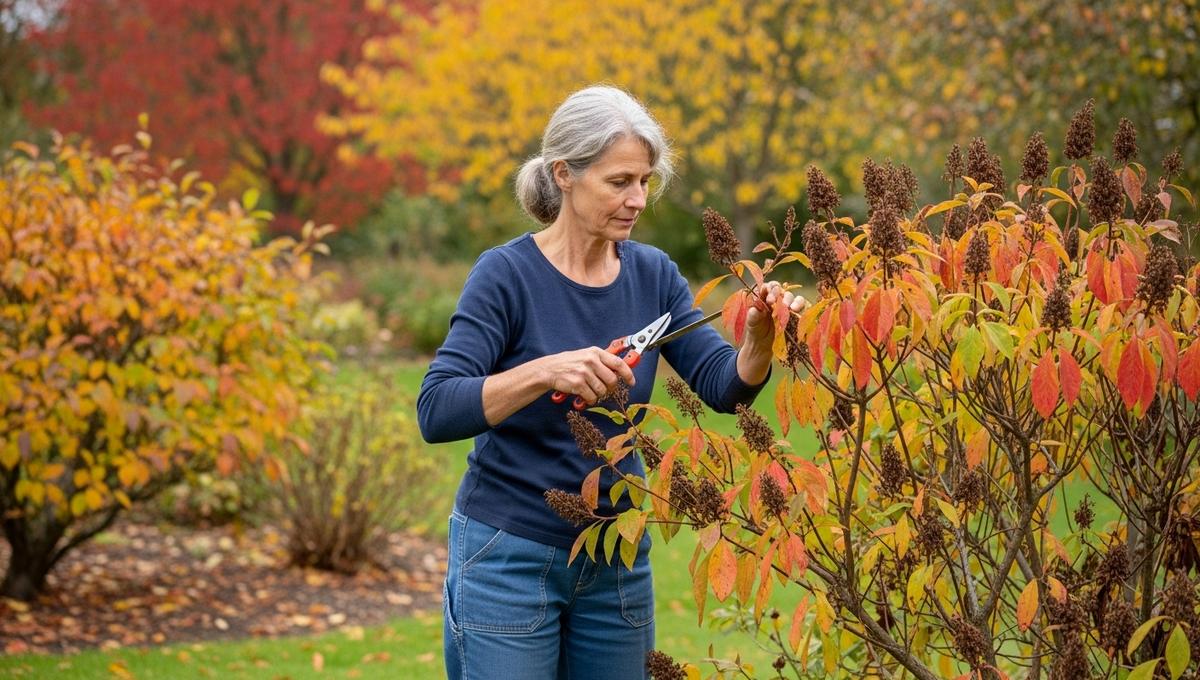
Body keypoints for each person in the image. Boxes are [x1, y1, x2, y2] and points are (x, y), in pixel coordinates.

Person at [417, 85, 806, 680]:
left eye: (645, 181)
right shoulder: (506, 276)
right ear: (564, 175)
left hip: (617, 556)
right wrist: (545, 370)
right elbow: (437, 409)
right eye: (619, 181)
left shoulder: (652, 274)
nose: (637, 200)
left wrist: (757, 342)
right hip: (508, 557)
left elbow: (722, 387)